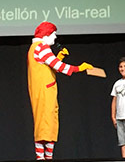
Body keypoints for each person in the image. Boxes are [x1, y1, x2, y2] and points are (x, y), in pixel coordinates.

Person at [27, 21, 93, 160]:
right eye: (53, 34)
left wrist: (59, 57)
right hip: (44, 92)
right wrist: (79, 68)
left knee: (49, 124)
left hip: (46, 91)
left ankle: (47, 156)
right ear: (46, 35)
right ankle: (41, 157)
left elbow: (49, 66)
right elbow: (59, 67)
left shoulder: (36, 47)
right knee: (44, 124)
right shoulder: (41, 46)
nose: (55, 38)